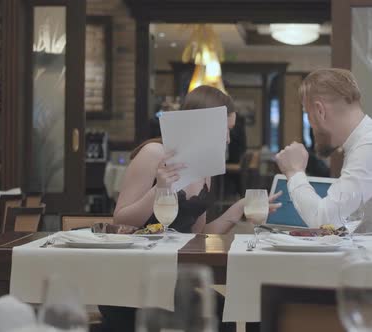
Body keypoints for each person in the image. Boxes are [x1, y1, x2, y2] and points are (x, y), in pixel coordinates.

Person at [104, 85, 280, 332]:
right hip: (132, 277)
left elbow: (196, 235)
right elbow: (121, 220)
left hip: (172, 274)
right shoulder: (154, 153)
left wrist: (237, 209)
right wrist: (159, 189)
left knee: (229, 314)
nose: (228, 139)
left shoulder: (204, 166)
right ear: (202, 123)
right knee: (218, 317)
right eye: (226, 131)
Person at [275, 68, 372, 233]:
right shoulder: (368, 141)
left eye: (308, 114)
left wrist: (294, 172)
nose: (311, 124)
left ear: (320, 111)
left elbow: (323, 221)